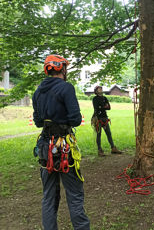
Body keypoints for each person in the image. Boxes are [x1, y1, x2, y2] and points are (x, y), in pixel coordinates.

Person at [32, 54, 90, 230]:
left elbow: (37, 122)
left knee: (49, 196)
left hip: (45, 147)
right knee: (74, 194)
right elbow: (75, 120)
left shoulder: (37, 92)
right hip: (63, 148)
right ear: (62, 69)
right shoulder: (66, 88)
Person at [91, 85, 122, 156]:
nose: (101, 89)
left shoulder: (104, 98)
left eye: (101, 88)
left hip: (105, 118)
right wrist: (104, 106)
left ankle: (113, 148)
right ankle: (99, 150)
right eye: (99, 89)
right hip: (97, 118)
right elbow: (97, 108)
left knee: (109, 133)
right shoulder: (95, 99)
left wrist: (102, 107)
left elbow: (109, 107)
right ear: (96, 91)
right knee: (98, 135)